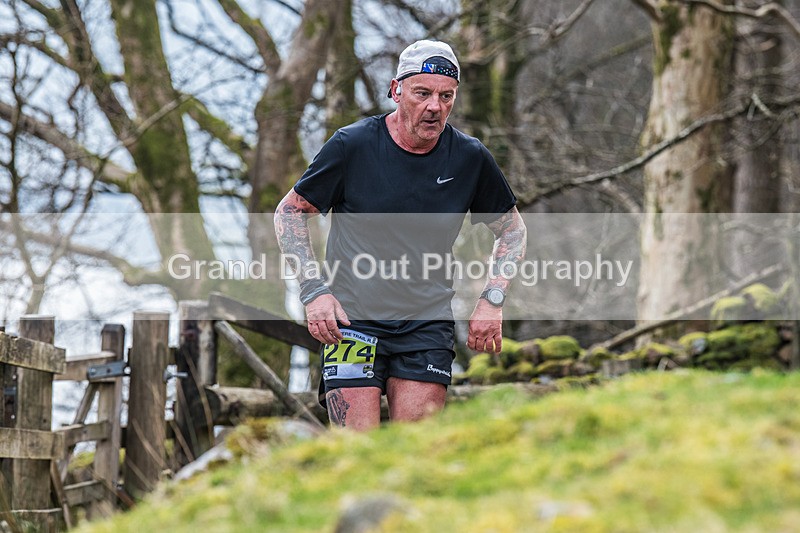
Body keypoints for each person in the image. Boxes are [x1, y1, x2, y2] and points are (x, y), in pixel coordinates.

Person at [274, 40, 526, 431]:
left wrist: (492, 299)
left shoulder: (469, 157)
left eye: (446, 96)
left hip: (425, 324)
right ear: (396, 91)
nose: (434, 107)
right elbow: (290, 211)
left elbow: (512, 230)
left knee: (413, 451)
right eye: (422, 93)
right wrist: (313, 291)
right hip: (351, 321)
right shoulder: (352, 145)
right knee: (357, 454)